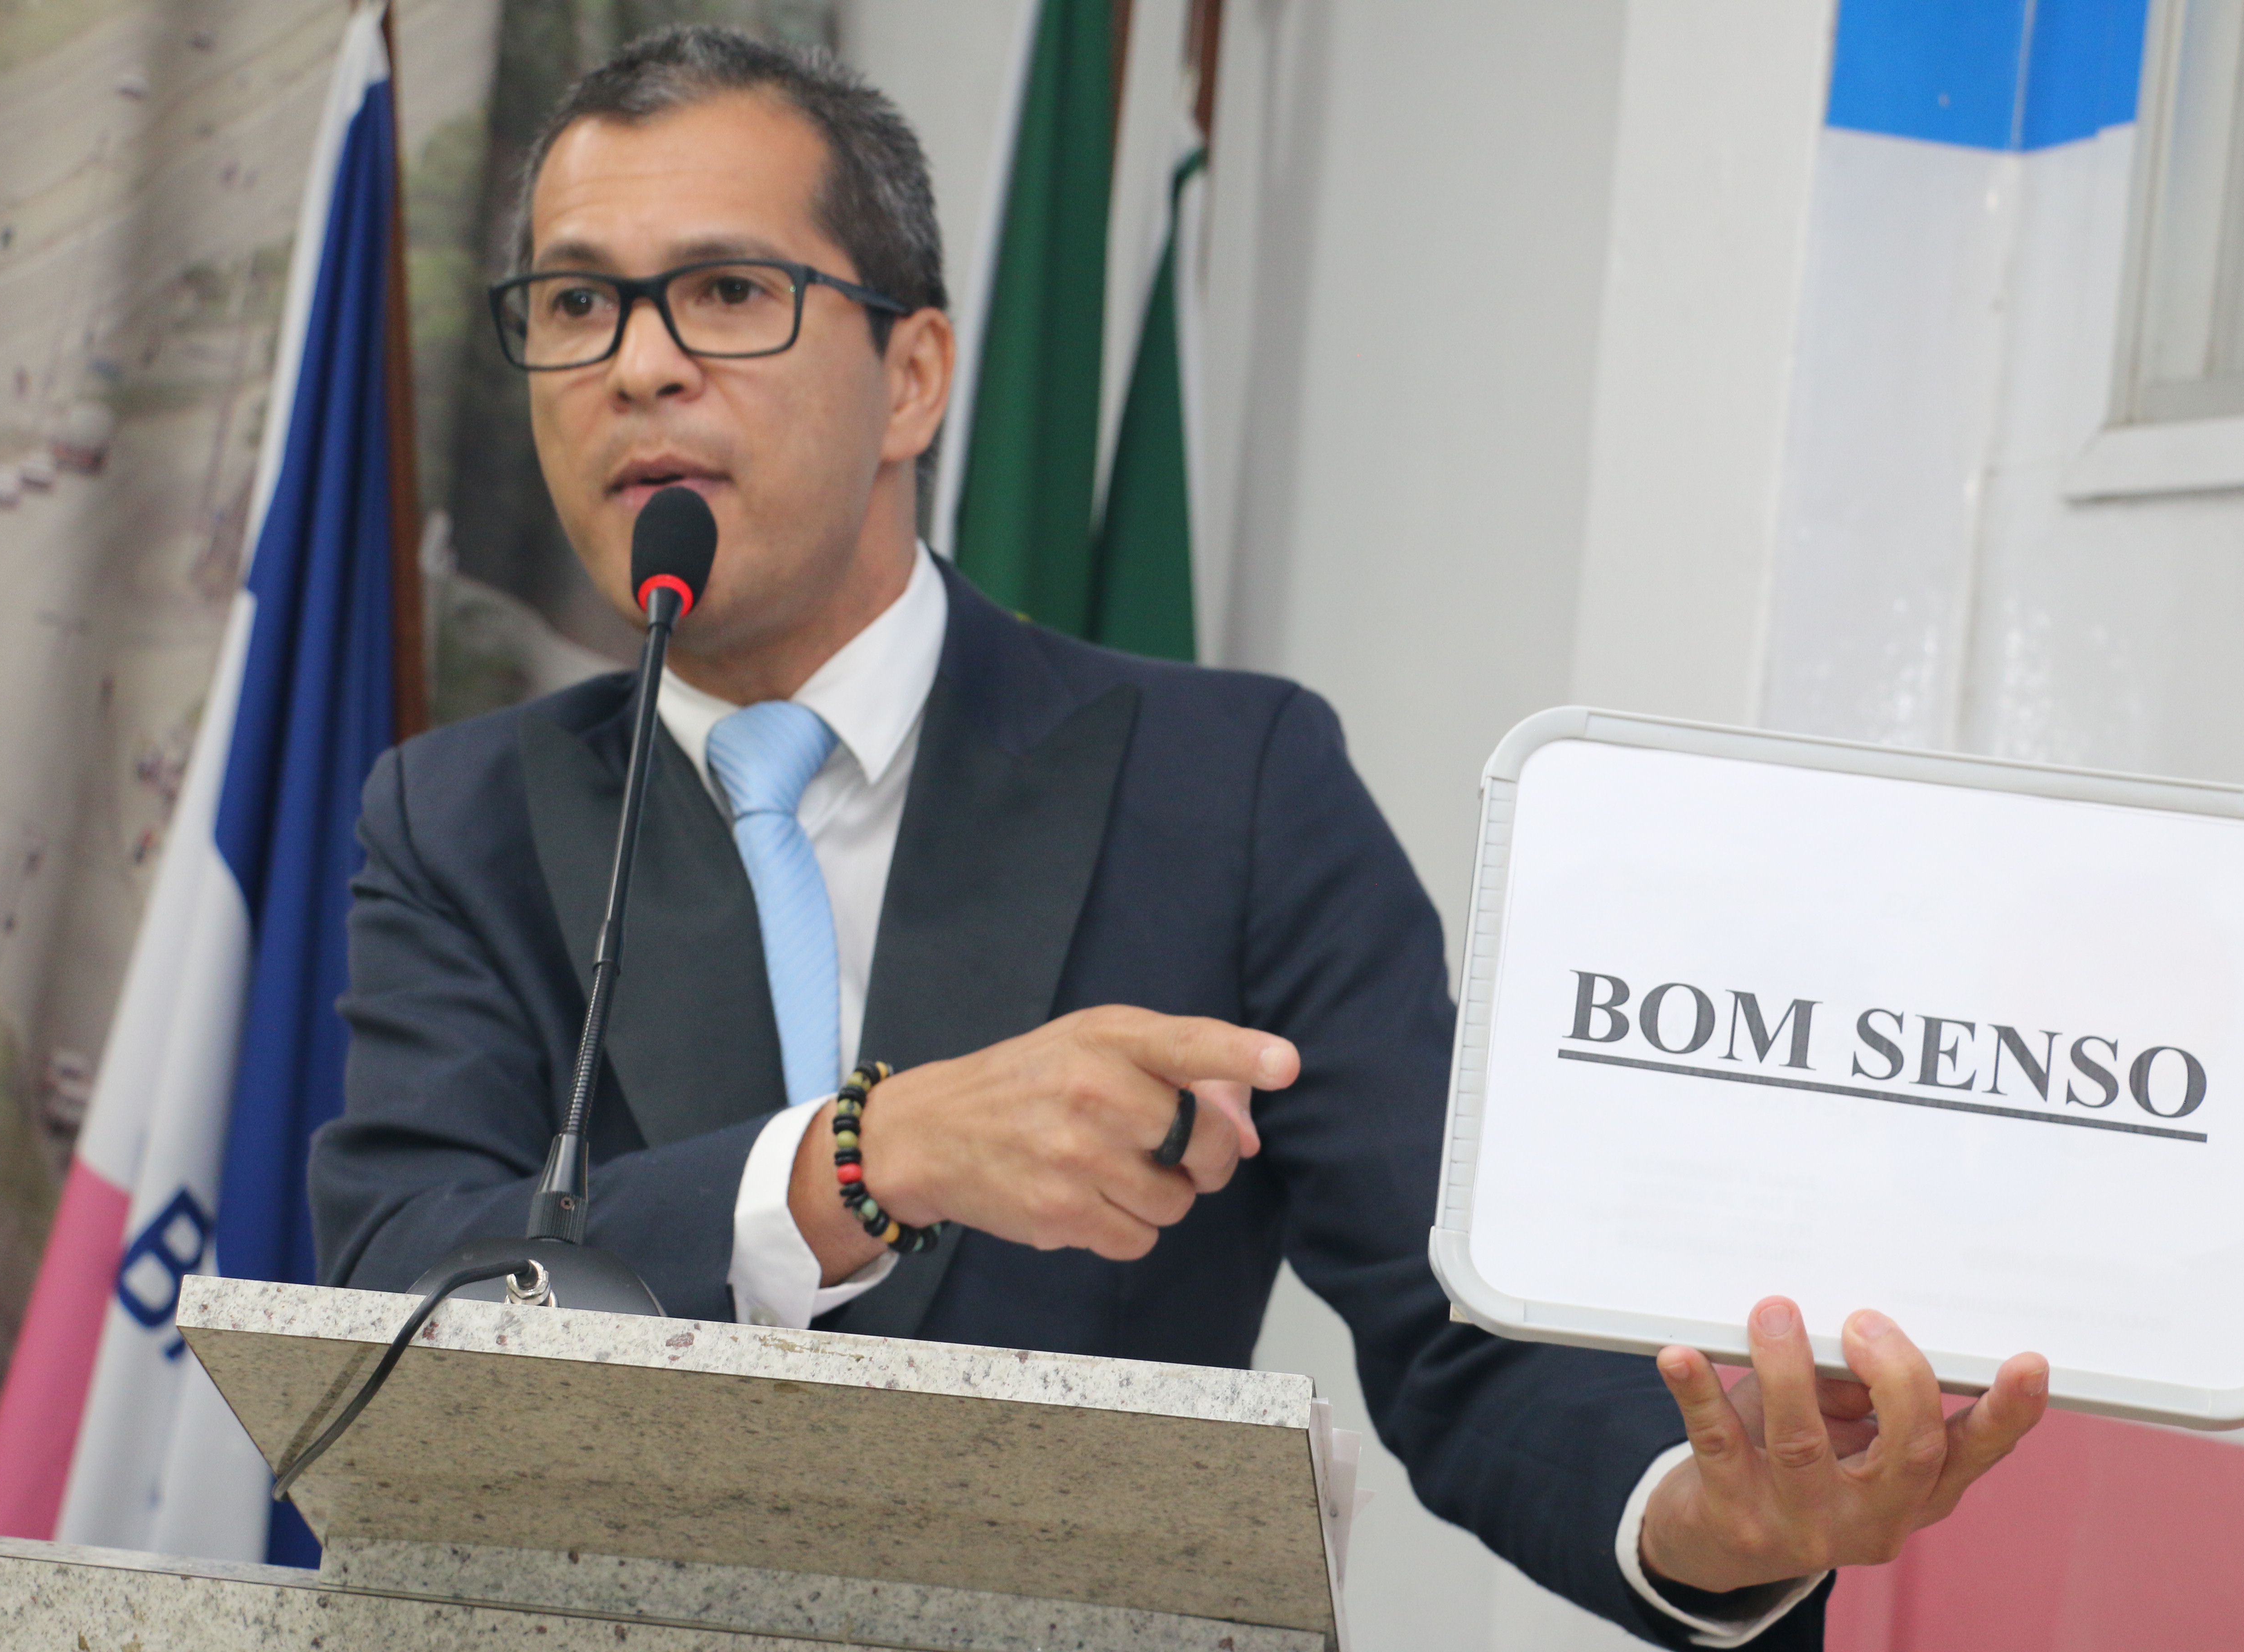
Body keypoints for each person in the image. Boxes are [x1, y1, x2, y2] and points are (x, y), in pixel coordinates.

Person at [308, 28, 2049, 1648]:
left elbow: (1461, 1319)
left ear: (913, 376)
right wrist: (864, 1158)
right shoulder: (455, 822)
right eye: (578, 305)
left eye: (728, 293)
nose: (639, 366)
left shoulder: (1229, 784)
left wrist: (1712, 1517)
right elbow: (394, 1309)